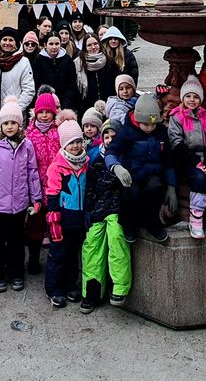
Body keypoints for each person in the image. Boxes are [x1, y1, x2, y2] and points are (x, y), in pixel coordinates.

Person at [0, 94, 42, 293]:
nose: (9, 127)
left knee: (16, 243)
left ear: (19, 124)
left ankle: (16, 273)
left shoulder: (27, 146)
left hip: (20, 204)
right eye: (5, 123)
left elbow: (32, 173)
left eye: (13, 123)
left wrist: (36, 198)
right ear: (0, 125)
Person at [103, 91, 173, 244]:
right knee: (131, 191)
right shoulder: (126, 132)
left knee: (155, 187)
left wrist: (172, 186)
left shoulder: (160, 132)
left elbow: (168, 159)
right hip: (131, 175)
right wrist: (116, 167)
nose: (150, 128)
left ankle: (152, 223)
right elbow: (111, 152)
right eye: (146, 124)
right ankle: (129, 225)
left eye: (153, 124)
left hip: (153, 174)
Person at [82, 119, 131, 312]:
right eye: (106, 136)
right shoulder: (95, 160)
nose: (110, 140)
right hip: (97, 210)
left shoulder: (124, 160)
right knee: (92, 245)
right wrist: (87, 209)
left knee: (116, 239)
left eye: (113, 136)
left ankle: (120, 287)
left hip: (116, 210)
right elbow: (90, 187)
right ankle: (92, 291)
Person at [167, 75, 206, 238]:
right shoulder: (176, 117)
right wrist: (195, 161)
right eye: (188, 96)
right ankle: (196, 218)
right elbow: (176, 142)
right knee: (198, 178)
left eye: (196, 96)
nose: (192, 100)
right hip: (187, 158)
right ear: (183, 98)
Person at [45, 119, 91, 308]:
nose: (75, 146)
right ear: (64, 144)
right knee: (58, 254)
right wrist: (54, 217)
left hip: (79, 217)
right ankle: (54, 289)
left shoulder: (86, 163)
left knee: (74, 254)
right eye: (71, 143)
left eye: (78, 141)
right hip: (63, 217)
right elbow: (52, 193)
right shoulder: (57, 166)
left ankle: (71, 285)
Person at [25, 92, 63, 273]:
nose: (45, 115)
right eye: (42, 112)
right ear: (36, 113)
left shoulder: (58, 132)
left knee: (55, 224)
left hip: (55, 186)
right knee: (35, 226)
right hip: (36, 186)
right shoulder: (29, 134)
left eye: (49, 112)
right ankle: (33, 259)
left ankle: (55, 262)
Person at [0, 27, 36, 114]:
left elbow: (29, 90)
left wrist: (16, 109)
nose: (7, 43)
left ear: (16, 42)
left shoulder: (23, 62)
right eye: (4, 39)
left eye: (11, 40)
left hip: (15, 114)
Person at [34, 32, 78, 110]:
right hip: (44, 104)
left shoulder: (67, 60)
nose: (54, 47)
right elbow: (37, 84)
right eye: (51, 44)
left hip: (64, 105)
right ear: (45, 45)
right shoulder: (38, 60)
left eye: (57, 44)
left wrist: (64, 105)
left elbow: (71, 85)